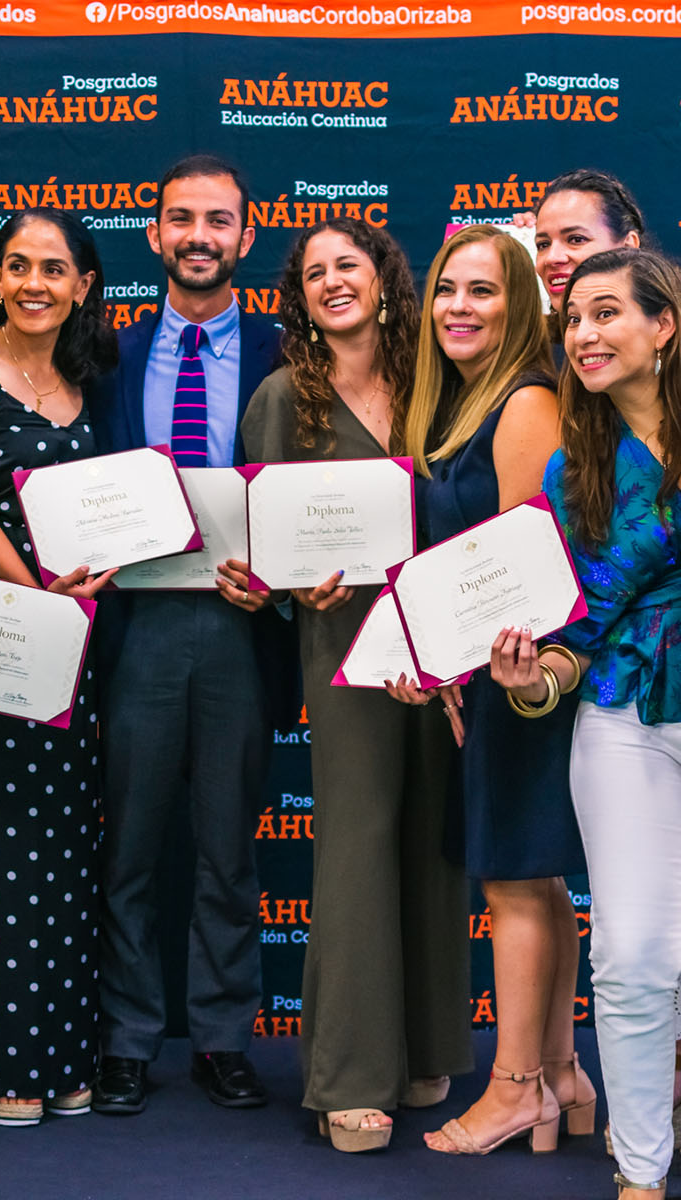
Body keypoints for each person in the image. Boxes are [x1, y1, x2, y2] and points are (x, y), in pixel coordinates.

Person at [519, 247, 681, 1198]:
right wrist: (530, 678)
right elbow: (568, 643)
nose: (584, 335)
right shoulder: (572, 473)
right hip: (624, 720)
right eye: (573, 320)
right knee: (629, 959)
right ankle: (639, 1175)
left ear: (665, 324)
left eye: (606, 314)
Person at [240, 219, 472, 1152]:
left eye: (350, 265)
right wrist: (293, 581)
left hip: (446, 635)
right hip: (344, 640)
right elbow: (259, 541)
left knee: (434, 836)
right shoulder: (280, 397)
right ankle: (348, 1075)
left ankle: (423, 1047)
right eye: (315, 273)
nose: (334, 281)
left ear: (385, 280)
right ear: (299, 296)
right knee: (358, 840)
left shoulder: (440, 382)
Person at [87, 154, 294, 1114]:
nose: (199, 236)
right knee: (127, 848)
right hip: (136, 625)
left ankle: (221, 1038)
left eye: (218, 220)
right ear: (155, 234)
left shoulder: (288, 357)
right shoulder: (107, 355)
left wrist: (283, 576)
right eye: (181, 219)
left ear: (246, 236)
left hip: (242, 628)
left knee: (228, 850)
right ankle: (125, 1039)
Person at [392, 224, 593, 1156]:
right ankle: (560, 1076)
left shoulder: (525, 403)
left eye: (483, 290)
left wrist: (455, 665)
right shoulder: (460, 406)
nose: (458, 307)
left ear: (521, 305)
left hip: (520, 675)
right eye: (446, 289)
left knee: (515, 884)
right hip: (490, 672)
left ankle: (515, 1089)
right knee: (534, 881)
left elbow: (522, 574)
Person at [0, 207, 118, 1126]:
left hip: (71, 648)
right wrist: (42, 594)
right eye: (17, 265)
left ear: (83, 285)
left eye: (52, 268)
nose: (33, 283)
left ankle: (60, 1052)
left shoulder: (84, 378)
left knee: (60, 857)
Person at [522, 169, 681, 373]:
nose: (552, 257)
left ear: (628, 246)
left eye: (576, 239)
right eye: (543, 244)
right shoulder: (544, 339)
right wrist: (513, 246)